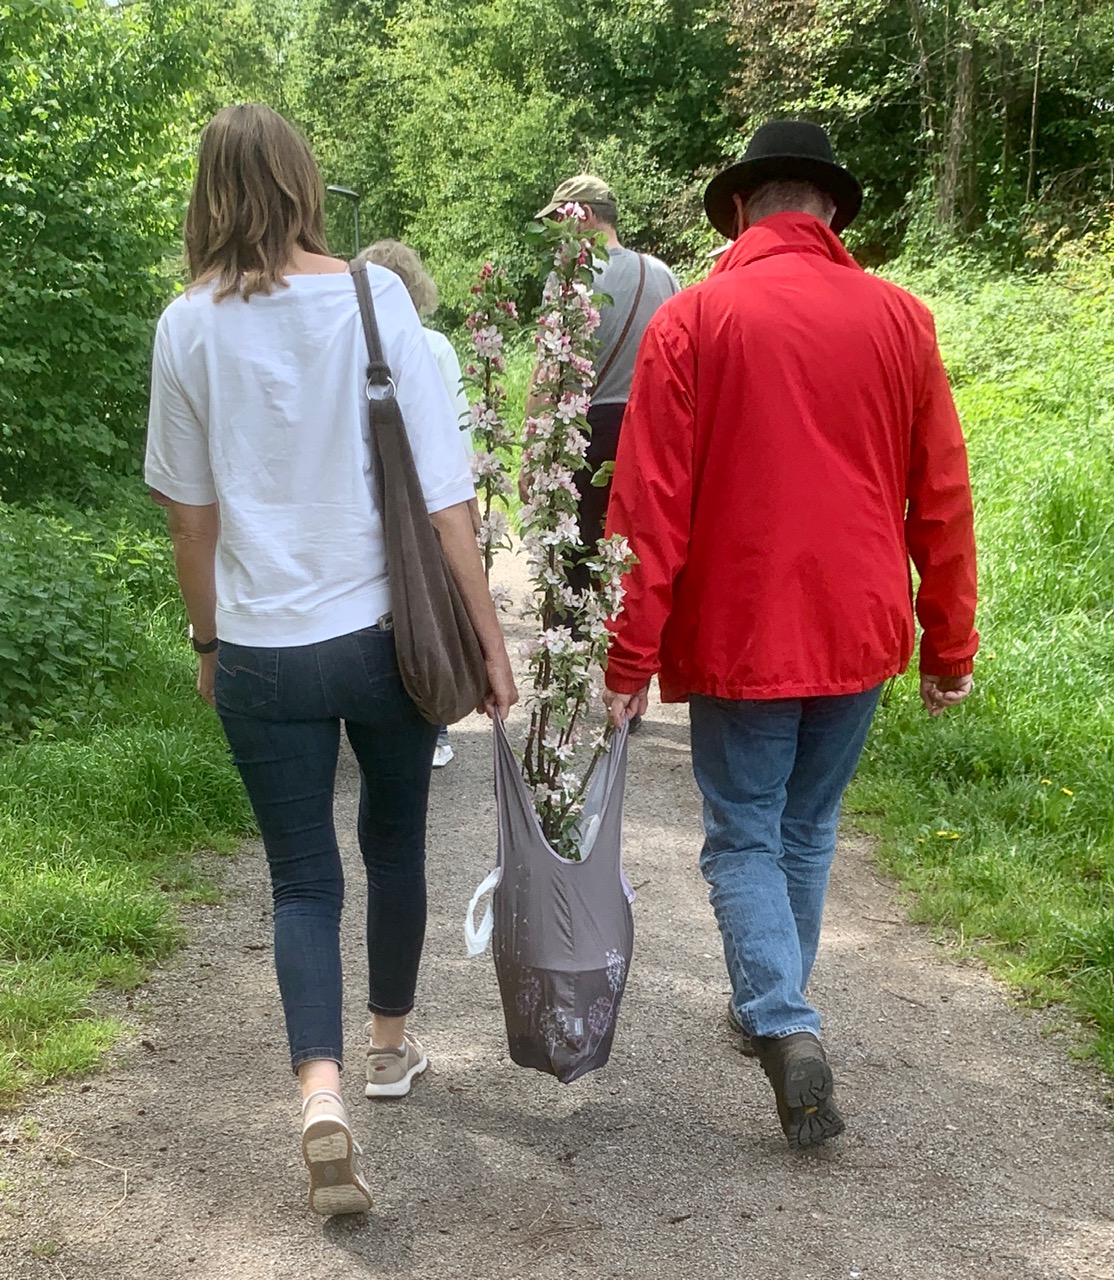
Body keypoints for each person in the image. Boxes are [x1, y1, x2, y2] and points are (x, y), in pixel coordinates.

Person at [145, 104, 517, 1214]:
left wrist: (210, 639)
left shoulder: (186, 325)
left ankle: (320, 1092)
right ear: (306, 182)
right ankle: (390, 1048)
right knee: (394, 839)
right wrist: (492, 648)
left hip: (263, 650)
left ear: (209, 193)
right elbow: (448, 503)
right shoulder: (376, 296)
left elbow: (189, 517)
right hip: (384, 639)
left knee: (301, 879)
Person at [601, 120, 977, 1149]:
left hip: (742, 627)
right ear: (831, 214)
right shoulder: (901, 319)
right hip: (857, 624)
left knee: (742, 836)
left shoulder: (692, 321)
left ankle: (781, 1014)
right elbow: (940, 495)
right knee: (804, 829)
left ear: (737, 210)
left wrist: (627, 655)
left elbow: (648, 506)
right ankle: (779, 1003)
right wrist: (949, 641)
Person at [523, 176, 680, 609]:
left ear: (585, 215)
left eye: (560, 219)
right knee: (633, 563)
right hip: (650, 436)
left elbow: (546, 372)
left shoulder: (571, 278)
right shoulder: (663, 274)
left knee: (569, 562)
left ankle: (570, 667)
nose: (558, 233)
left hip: (583, 435)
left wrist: (532, 455)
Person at [358, 238, 475, 770]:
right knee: (434, 603)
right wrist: (467, 507)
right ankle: (437, 721)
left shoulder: (347, 342)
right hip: (430, 500)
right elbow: (457, 431)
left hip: (374, 499)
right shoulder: (435, 346)